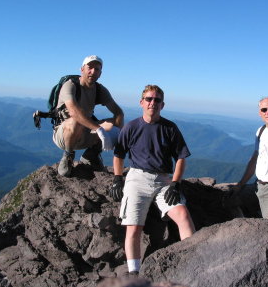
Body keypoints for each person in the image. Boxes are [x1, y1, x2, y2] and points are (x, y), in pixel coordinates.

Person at [110, 84, 195, 276]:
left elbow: (181, 158)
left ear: (162, 105)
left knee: (182, 215)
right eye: (149, 99)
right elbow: (119, 155)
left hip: (164, 181)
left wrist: (175, 183)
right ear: (141, 102)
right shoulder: (131, 127)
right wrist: (117, 178)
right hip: (137, 178)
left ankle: (193, 258)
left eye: (156, 100)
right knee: (134, 227)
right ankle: (134, 273)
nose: (152, 103)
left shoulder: (170, 128)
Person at [53, 55, 124, 177]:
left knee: (114, 123)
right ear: (82, 69)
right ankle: (68, 156)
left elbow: (118, 113)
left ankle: (91, 155)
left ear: (100, 73)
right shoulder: (70, 85)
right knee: (75, 121)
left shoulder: (99, 89)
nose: (93, 71)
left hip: (85, 133)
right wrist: (99, 129)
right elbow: (74, 112)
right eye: (89, 67)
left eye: (97, 69)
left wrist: (117, 132)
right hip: (64, 135)